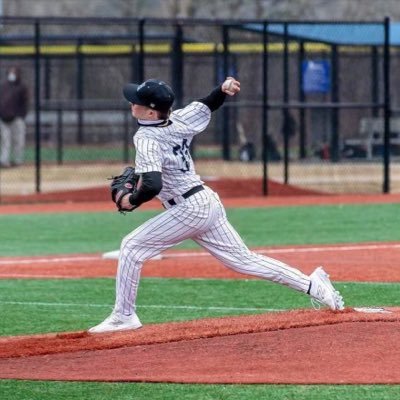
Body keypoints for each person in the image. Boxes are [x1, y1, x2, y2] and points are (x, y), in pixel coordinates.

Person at [88, 77, 344, 334]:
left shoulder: (146, 137)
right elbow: (207, 104)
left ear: (151, 111)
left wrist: (130, 200)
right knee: (244, 260)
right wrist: (222, 90)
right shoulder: (179, 119)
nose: (132, 103)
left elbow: (152, 184)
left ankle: (124, 316)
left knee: (132, 247)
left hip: (188, 209)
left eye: (137, 101)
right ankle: (315, 286)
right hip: (205, 201)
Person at [0, 66, 29, 168]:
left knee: (18, 141)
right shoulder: (3, 86)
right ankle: (4, 161)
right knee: (5, 141)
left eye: (14, 72)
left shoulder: (22, 87)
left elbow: (25, 103)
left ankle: (18, 161)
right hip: (3, 118)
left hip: (17, 118)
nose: (12, 74)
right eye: (10, 72)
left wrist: (21, 115)